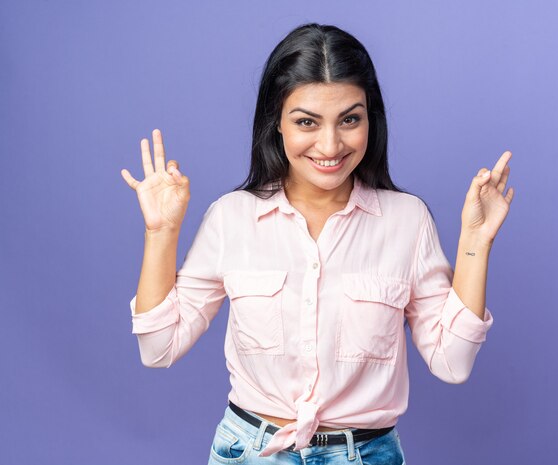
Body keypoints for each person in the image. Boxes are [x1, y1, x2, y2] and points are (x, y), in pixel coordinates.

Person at [120, 22, 513, 465]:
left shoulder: (408, 221)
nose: (330, 144)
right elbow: (159, 349)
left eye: (349, 119)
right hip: (250, 453)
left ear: (371, 120)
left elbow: (452, 362)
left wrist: (476, 241)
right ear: (277, 124)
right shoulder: (231, 217)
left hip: (367, 455)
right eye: (307, 122)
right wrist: (160, 233)